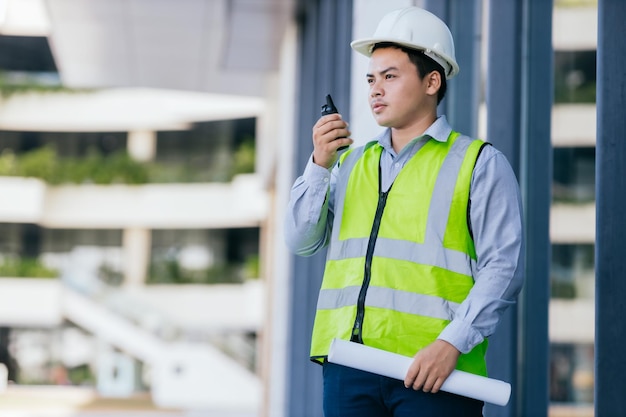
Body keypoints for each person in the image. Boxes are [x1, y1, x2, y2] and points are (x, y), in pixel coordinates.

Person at [285, 6, 524, 417]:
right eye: (371, 79)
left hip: (434, 373)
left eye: (390, 76)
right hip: (349, 368)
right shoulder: (349, 163)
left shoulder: (479, 163)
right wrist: (318, 165)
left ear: (432, 81)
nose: (375, 90)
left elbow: (504, 267)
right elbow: (301, 241)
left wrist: (453, 343)